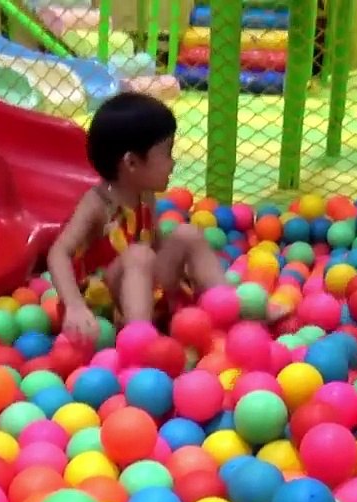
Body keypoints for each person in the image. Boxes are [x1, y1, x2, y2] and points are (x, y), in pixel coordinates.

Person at [47, 91, 226, 345]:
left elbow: (155, 246)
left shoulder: (146, 196)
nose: (173, 164)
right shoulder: (98, 203)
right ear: (131, 162)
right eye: (167, 153)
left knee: (187, 234)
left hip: (146, 290)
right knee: (139, 255)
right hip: (101, 307)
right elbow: (58, 253)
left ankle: (226, 311)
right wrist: (75, 306)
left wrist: (183, 273)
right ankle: (138, 343)